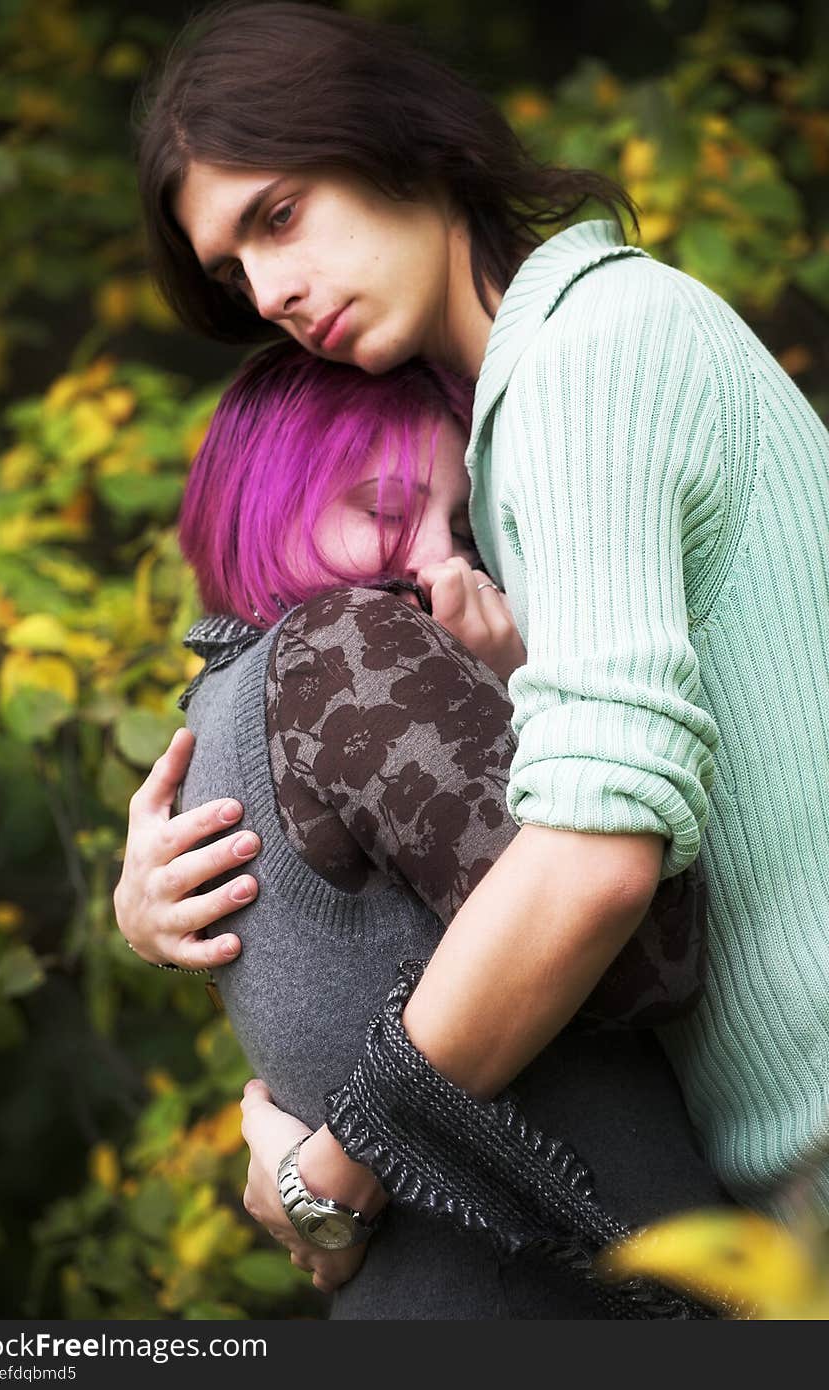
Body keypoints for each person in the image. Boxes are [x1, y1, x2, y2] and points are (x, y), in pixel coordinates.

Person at [116, 0, 829, 1283]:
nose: (268, 291)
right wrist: (162, 887)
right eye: (233, 272)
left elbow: (590, 868)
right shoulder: (492, 453)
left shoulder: (588, 359)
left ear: (407, 147)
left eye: (278, 216)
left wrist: (331, 1171)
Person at [162, 337, 719, 1317]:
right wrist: (528, 693)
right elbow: (649, 960)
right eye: (378, 511)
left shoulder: (217, 705)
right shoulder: (347, 646)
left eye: (457, 527)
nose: (432, 563)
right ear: (267, 499)